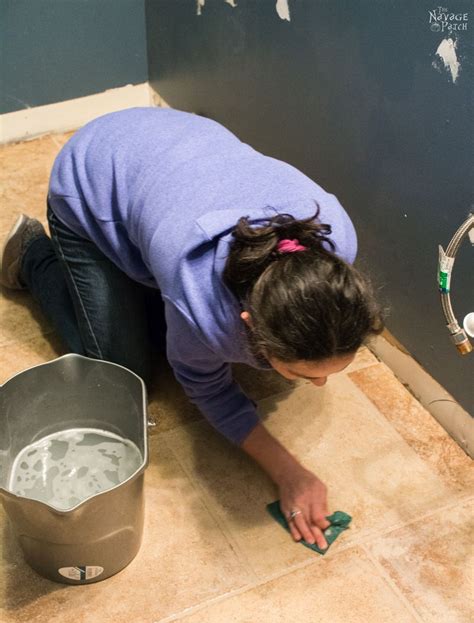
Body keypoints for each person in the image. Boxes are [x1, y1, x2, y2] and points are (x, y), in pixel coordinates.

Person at [0, 107, 385, 550]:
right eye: (306, 372)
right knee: (124, 373)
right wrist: (288, 470)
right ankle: (32, 255)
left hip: (178, 152)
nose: (318, 384)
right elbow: (208, 388)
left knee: (162, 319)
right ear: (246, 323)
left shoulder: (337, 247)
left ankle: (133, 283)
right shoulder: (205, 308)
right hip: (94, 176)